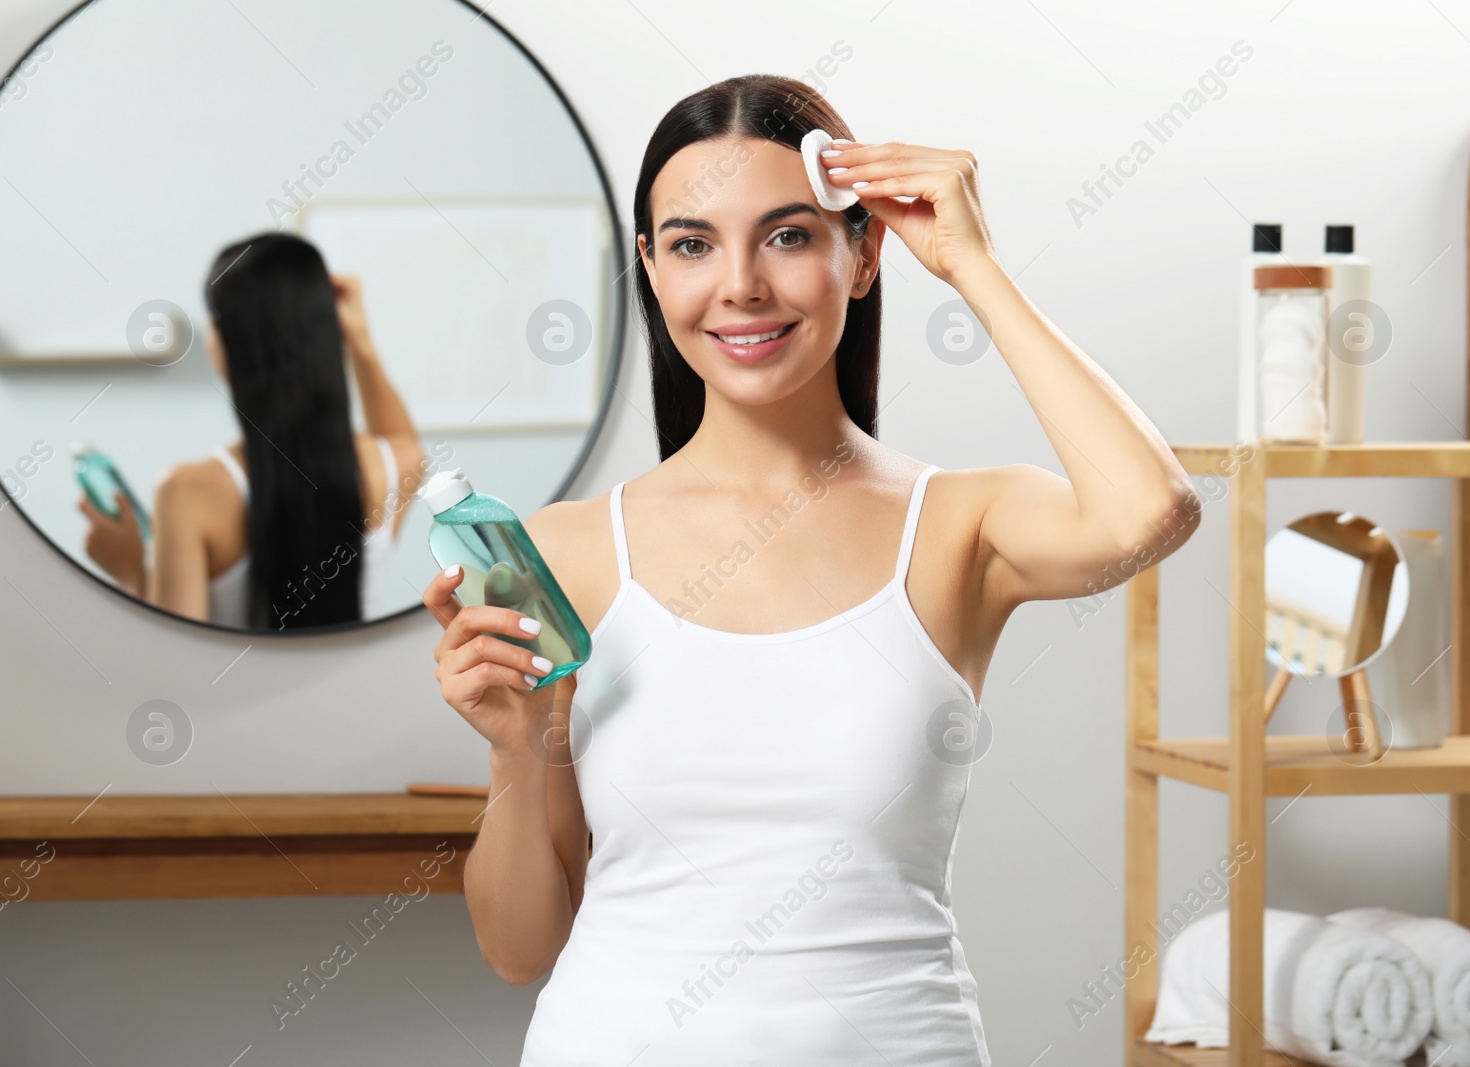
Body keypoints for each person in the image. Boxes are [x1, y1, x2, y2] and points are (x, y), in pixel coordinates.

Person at [422, 75, 1202, 1064]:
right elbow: (518, 946)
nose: (740, 282)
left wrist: (974, 266)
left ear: (864, 250)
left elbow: (1152, 508)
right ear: (652, 270)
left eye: (788, 235)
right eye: (693, 243)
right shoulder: (564, 550)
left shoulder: (956, 524)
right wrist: (513, 747)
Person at [81, 234, 425, 629]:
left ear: (228, 340)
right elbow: (403, 442)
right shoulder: (392, 471)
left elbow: (176, 664)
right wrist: (361, 342)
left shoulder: (186, 492)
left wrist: (129, 574)